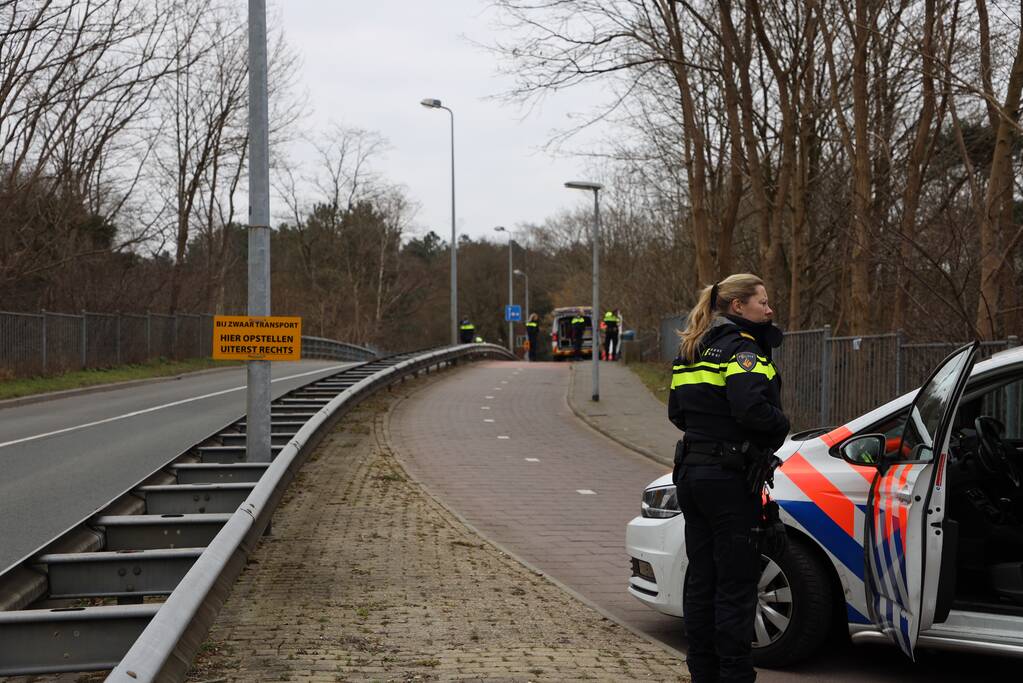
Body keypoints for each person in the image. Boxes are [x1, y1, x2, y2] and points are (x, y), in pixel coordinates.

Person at [668, 273, 789, 683]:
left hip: (691, 475)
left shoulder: (690, 348)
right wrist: (781, 425)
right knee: (736, 584)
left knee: (702, 579)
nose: (770, 310)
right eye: (763, 302)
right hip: (728, 479)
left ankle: (702, 673)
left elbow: (676, 414)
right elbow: (751, 410)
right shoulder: (743, 350)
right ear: (738, 307)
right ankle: (735, 676)